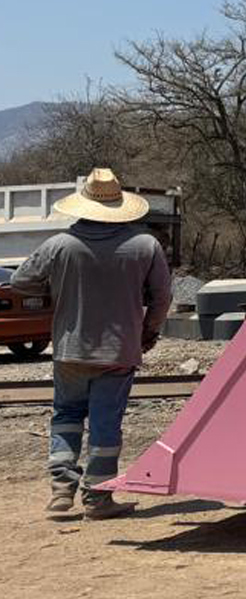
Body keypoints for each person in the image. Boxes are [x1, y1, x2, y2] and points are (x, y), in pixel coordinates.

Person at [10, 169, 172, 519]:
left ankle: (61, 491)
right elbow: (162, 298)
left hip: (70, 350)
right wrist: (148, 333)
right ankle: (98, 499)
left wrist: (58, 289)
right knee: (105, 424)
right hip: (119, 351)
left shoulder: (59, 245)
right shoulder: (145, 245)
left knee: (66, 416)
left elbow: (21, 282)